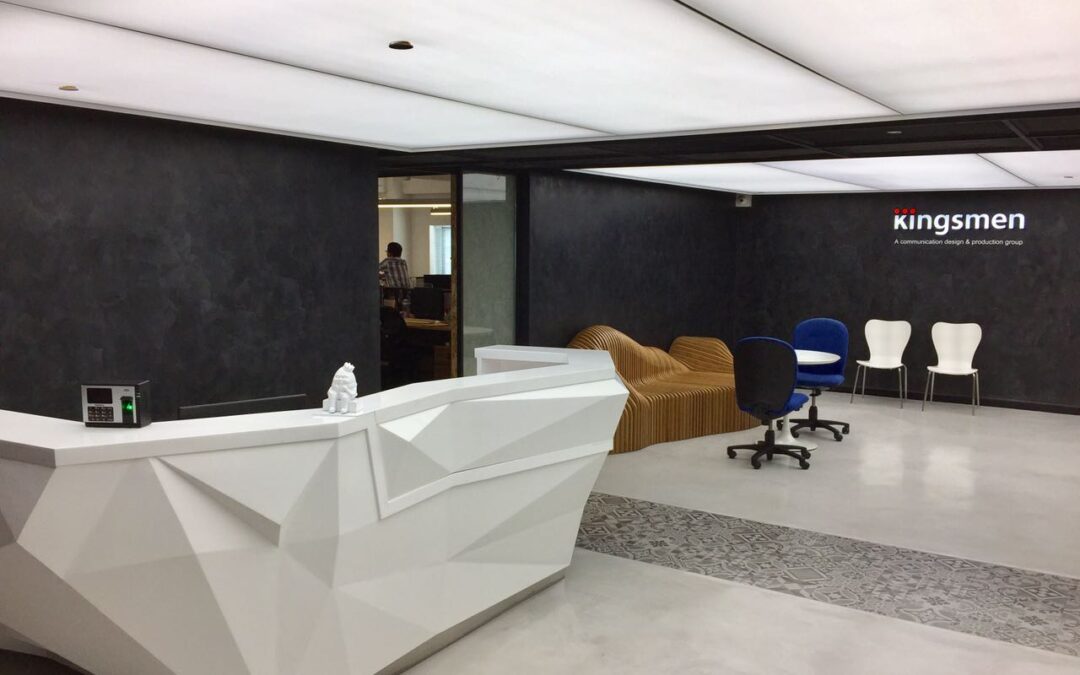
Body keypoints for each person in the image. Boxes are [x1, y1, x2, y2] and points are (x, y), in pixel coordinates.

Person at [379, 242, 412, 308]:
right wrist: (384, 276)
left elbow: (372, 270)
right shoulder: (403, 262)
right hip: (408, 294)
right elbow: (395, 274)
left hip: (395, 295)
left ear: (390, 253)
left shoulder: (388, 261)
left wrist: (379, 276)